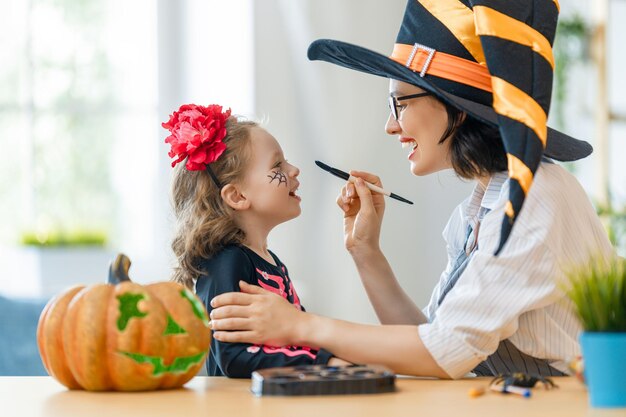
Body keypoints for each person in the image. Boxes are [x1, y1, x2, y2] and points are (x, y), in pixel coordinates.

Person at [208, 1, 615, 379]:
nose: (391, 125)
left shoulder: (535, 198)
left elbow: (447, 351)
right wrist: (366, 253)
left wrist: (302, 326)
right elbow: (432, 338)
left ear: (455, 105)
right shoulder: (474, 212)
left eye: (399, 103)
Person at [163, 103, 346, 378]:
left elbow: (301, 334)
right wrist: (323, 364)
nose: (294, 170)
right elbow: (233, 357)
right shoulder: (227, 261)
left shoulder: (273, 263)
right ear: (237, 196)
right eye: (278, 164)